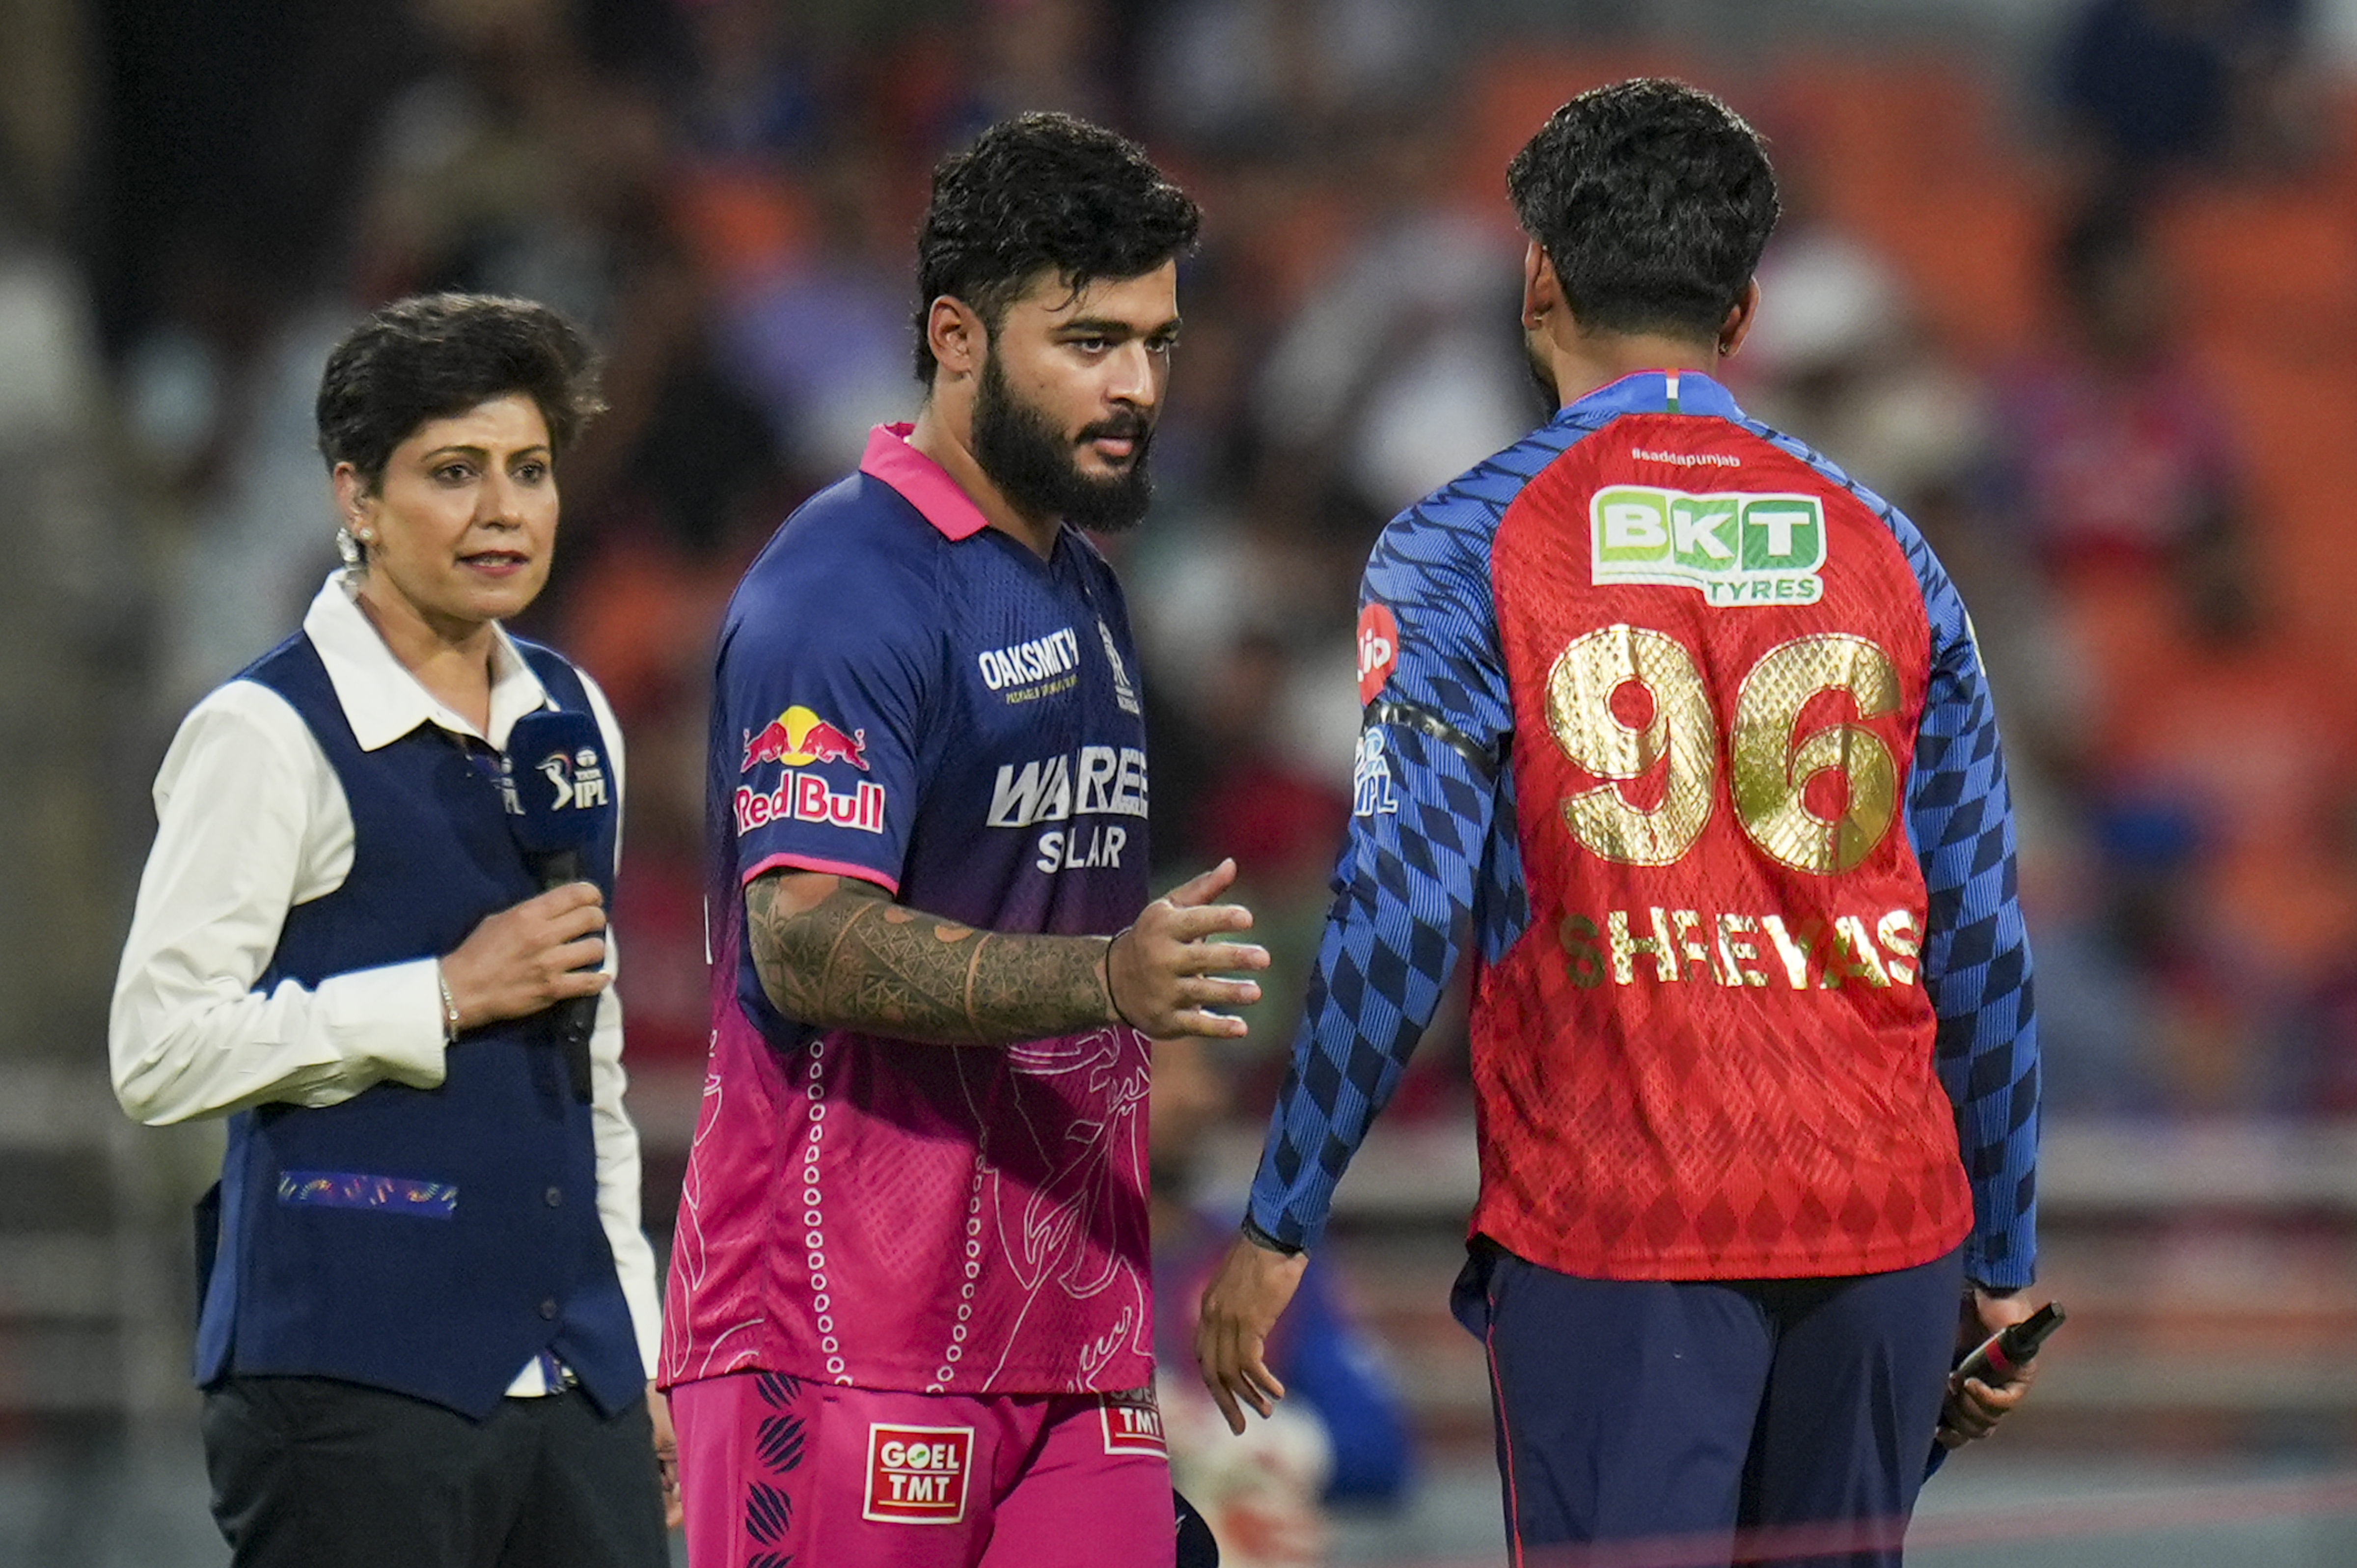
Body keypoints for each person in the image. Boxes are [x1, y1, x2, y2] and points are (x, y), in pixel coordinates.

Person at [1196, 79, 2046, 1567]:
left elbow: (1397, 916)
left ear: (1538, 275)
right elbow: (1979, 933)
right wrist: (2008, 1259)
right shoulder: (1894, 547)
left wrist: (1275, 1224)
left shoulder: (1461, 544)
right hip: (1888, 1225)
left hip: (1621, 1223)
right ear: (1743, 308)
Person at [658, 111, 1268, 1568]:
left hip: (1073, 1328)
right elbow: (806, 940)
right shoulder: (840, 590)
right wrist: (1107, 984)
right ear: (957, 336)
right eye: (1089, 341)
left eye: (1157, 343)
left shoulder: (1083, 588)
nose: (1136, 387)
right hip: (836, 1330)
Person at [109, 293, 673, 1567]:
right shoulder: (264, 732)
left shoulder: (575, 712)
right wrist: (442, 995)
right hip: (350, 1377)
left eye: (529, 471)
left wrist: (635, 1347)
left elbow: (595, 1068)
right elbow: (155, 1048)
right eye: (454, 473)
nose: (504, 511)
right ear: (354, 497)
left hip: (575, 1369)